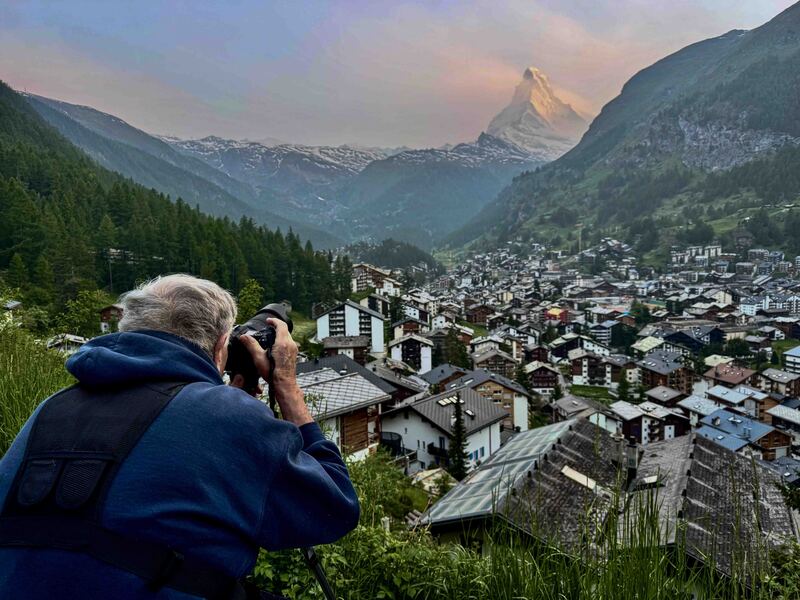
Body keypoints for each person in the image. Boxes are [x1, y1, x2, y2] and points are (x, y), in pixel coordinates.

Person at [0, 274, 360, 599]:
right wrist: (286, 385)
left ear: (129, 330)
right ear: (222, 346)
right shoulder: (226, 414)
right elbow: (334, 508)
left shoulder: (50, 408)